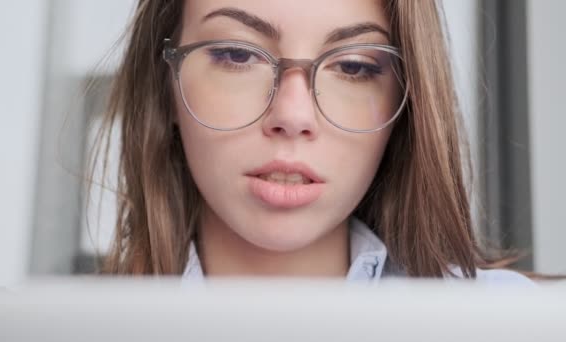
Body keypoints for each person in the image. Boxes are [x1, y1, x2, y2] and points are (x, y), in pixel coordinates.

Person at [93, 0, 532, 284]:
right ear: (164, 83)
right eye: (237, 55)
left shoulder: (512, 325)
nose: (293, 116)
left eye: (355, 66)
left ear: (407, 102)